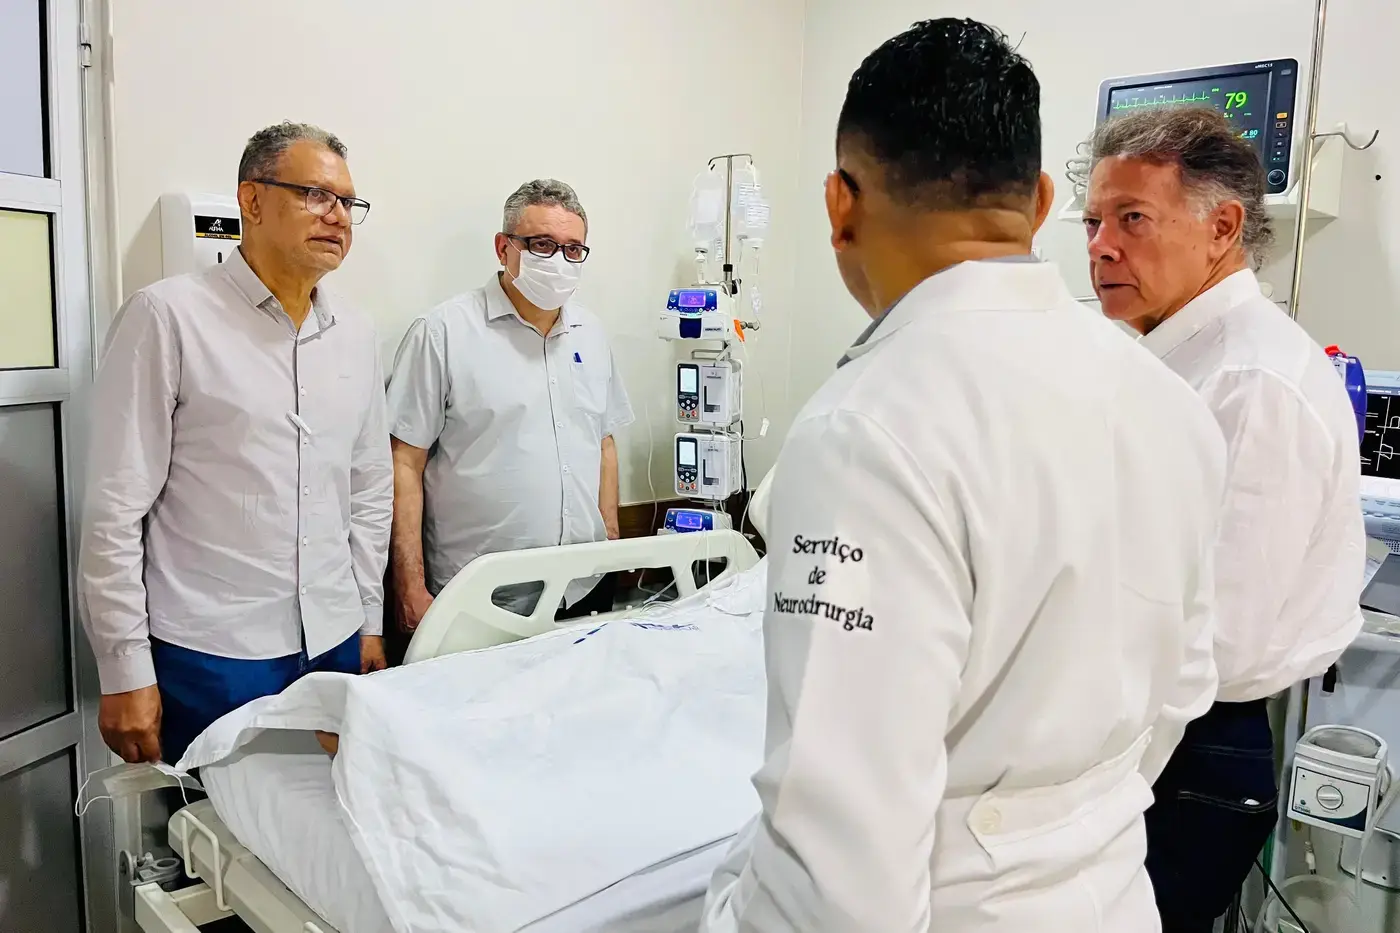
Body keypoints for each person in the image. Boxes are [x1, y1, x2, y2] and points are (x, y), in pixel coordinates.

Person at [700, 19, 1227, 933]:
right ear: (1042, 200)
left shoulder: (870, 425)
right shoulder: (1170, 401)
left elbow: (840, 872)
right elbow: (1184, 686)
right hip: (1111, 895)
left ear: (839, 204)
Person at [1085, 107, 1365, 932]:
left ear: (1222, 228)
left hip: (1190, 752)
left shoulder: (1250, 383)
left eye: (1133, 219)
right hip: (1154, 728)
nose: (1102, 246)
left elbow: (1218, 644)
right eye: (1095, 221)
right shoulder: (1166, 357)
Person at [79, 122, 392, 765]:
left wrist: (368, 618)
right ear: (251, 199)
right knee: (212, 820)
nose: (338, 216)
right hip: (212, 649)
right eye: (315, 194)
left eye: (347, 202)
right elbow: (115, 509)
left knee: (321, 812)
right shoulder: (167, 317)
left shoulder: (356, 333)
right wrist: (123, 667)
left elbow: (368, 489)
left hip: (332, 636)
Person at [386, 179, 633, 632]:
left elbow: (604, 444)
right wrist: (410, 586)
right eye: (542, 245)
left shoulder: (592, 334)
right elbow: (404, 462)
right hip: (480, 598)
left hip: (584, 585)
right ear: (504, 248)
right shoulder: (443, 333)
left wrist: (611, 544)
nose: (559, 261)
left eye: (573, 249)